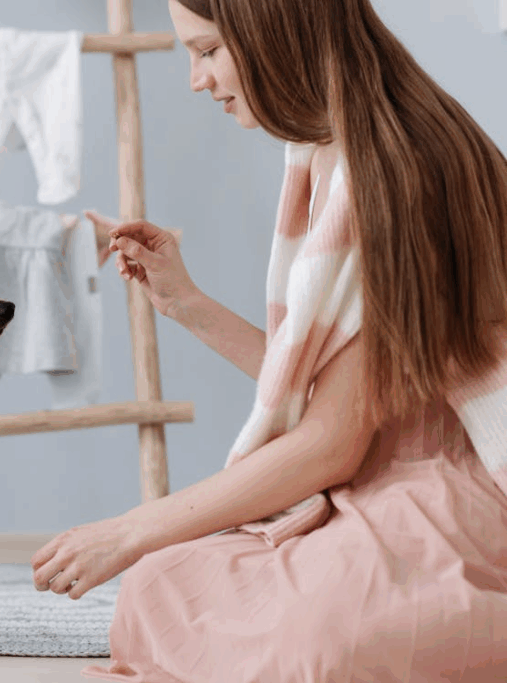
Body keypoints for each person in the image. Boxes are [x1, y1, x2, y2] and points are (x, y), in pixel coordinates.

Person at [31, 0, 507, 680]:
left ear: (271, 29)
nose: (197, 79)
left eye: (207, 51)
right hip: (386, 476)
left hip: (446, 494)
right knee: (159, 591)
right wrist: (186, 303)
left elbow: (333, 442)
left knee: (310, 646)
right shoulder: (344, 144)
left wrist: (128, 530)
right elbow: (348, 400)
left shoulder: (391, 166)